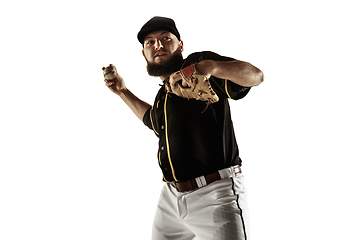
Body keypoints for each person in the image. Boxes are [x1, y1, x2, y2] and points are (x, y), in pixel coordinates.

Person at [104, 16, 263, 240]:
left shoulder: (197, 66)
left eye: (165, 38)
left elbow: (255, 76)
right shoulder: (164, 94)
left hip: (215, 194)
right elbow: (152, 119)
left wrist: (211, 67)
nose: (157, 45)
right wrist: (122, 91)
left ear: (180, 45)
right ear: (144, 54)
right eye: (149, 42)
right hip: (170, 198)